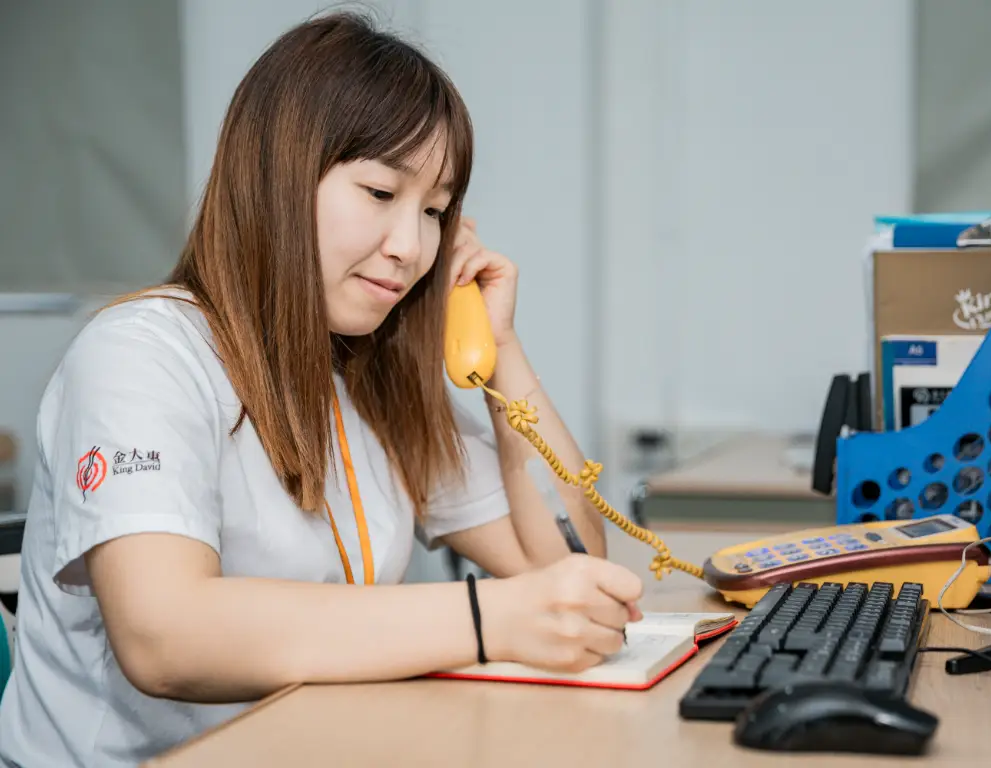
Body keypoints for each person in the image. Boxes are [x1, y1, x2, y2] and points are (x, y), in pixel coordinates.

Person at [0, 10, 643, 767]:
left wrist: (499, 348)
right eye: (380, 193)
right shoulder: (140, 354)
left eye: (434, 212)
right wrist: (483, 617)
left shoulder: (369, 376)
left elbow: (564, 570)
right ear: (279, 175)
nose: (410, 247)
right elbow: (163, 635)